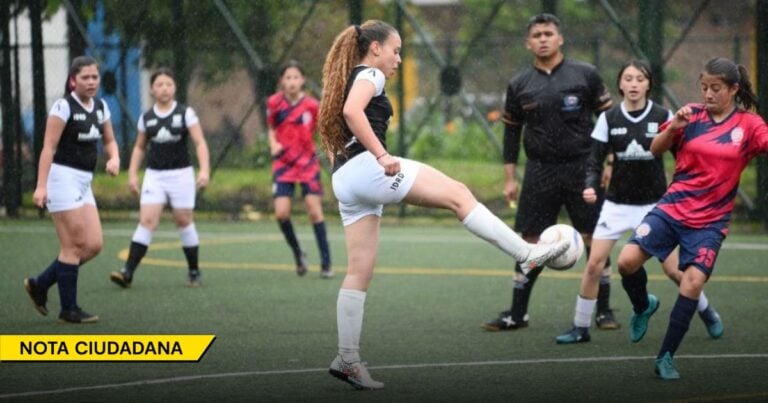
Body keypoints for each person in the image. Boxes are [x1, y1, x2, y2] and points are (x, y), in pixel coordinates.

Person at [317, 20, 569, 390]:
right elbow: (354, 114)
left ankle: (347, 359)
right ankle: (525, 254)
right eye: (395, 50)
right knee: (460, 195)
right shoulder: (371, 73)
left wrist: (354, 170)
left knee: (359, 271)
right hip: (368, 169)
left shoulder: (344, 78)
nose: (398, 59)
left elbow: (336, 131)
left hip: (345, 180)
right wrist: (382, 155)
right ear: (374, 49)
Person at [617, 57, 766, 380]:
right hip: (672, 209)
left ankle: (666, 357)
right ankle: (643, 306)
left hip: (711, 222)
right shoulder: (691, 114)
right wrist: (674, 127)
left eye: (715, 89)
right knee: (626, 262)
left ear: (734, 89)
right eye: (704, 88)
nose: (707, 94)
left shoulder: (750, 126)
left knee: (693, 281)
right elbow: (654, 150)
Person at [555, 59, 723, 344]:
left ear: (649, 84)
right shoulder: (609, 118)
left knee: (674, 269)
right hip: (617, 204)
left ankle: (707, 312)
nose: (634, 84)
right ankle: (580, 327)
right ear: (620, 84)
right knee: (594, 264)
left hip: (655, 207)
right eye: (628, 79)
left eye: (640, 79)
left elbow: (683, 157)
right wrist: (589, 186)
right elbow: (594, 161)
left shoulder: (662, 115)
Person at [483, 13, 616, 332]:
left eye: (549, 33)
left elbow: (611, 121)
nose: (543, 39)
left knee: (592, 238)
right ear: (528, 43)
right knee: (528, 240)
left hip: (583, 169)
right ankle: (517, 313)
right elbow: (511, 134)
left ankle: (604, 310)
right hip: (539, 171)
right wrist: (510, 178)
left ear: (560, 39)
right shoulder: (519, 84)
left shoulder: (586, 74)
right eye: (537, 34)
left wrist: (610, 162)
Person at [23, 55, 120, 323]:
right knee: (74, 244)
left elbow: (110, 140)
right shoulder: (63, 107)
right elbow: (48, 148)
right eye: (85, 77)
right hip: (61, 178)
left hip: (83, 181)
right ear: (73, 80)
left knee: (93, 245)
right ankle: (69, 309)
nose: (91, 82)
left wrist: (114, 158)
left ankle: (41, 283)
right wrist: (41, 186)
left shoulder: (101, 107)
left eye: (95, 77)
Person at [109, 68, 210, 288]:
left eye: (169, 84)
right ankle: (127, 272)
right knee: (147, 221)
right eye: (159, 85)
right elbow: (139, 147)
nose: (164, 89)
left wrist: (204, 170)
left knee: (184, 221)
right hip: (155, 176)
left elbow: (200, 142)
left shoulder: (185, 113)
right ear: (152, 89)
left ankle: (194, 272)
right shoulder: (147, 117)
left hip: (181, 175)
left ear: (175, 88)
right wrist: (133, 174)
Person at [267, 60, 332, 278]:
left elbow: (323, 131)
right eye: (288, 78)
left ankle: (326, 263)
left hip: (307, 163)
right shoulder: (274, 103)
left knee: (314, 210)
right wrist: (273, 144)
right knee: (281, 213)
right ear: (281, 81)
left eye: (296, 77)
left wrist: (329, 153)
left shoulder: (313, 106)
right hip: (283, 163)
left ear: (303, 80)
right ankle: (298, 254)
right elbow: (271, 128)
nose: (292, 82)